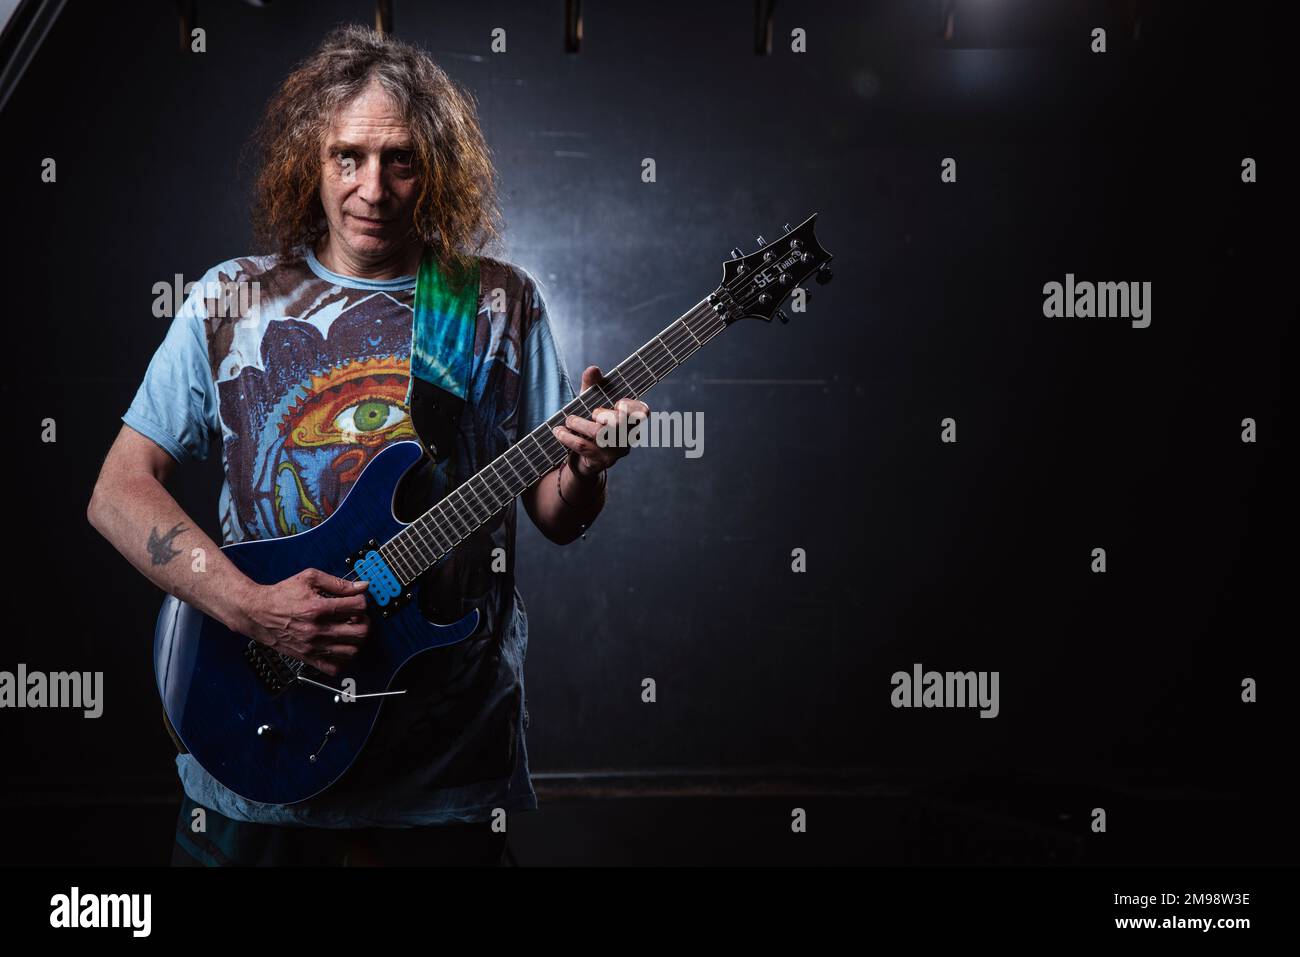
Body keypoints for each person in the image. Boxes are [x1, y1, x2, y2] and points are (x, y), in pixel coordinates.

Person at [86, 24, 649, 866]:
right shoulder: (231, 300)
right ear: (310, 161)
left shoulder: (496, 304)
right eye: (348, 156)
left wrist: (587, 467)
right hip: (257, 756)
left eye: (401, 160)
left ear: (437, 168)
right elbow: (117, 492)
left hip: (444, 778)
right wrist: (256, 609)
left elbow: (556, 519)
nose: (372, 188)